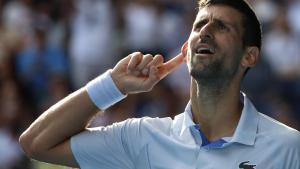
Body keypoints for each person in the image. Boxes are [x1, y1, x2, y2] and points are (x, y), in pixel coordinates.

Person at [19, 0, 300, 168]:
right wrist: (113, 85)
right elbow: (36, 143)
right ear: (185, 50)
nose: (205, 32)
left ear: (249, 56)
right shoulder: (141, 138)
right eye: (200, 25)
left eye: (222, 27)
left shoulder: (288, 148)